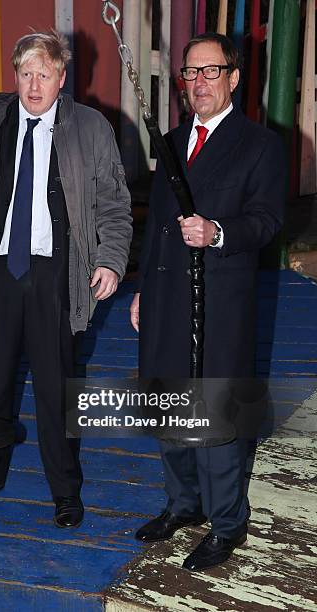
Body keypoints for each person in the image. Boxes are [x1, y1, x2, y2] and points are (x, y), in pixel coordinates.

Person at [0, 30, 132, 528]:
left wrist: (110, 259)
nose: (34, 84)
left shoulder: (91, 127)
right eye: (26, 73)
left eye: (45, 74)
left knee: (55, 389)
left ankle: (65, 490)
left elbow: (114, 203)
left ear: (62, 78)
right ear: (15, 75)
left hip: (56, 274)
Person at [130, 33, 285, 570]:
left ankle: (226, 524)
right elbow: (155, 233)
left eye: (209, 72)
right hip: (167, 295)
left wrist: (217, 230)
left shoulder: (261, 145)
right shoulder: (172, 141)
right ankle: (183, 504)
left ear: (234, 78)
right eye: (189, 73)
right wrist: (142, 292)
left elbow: (266, 221)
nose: (197, 83)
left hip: (219, 301)